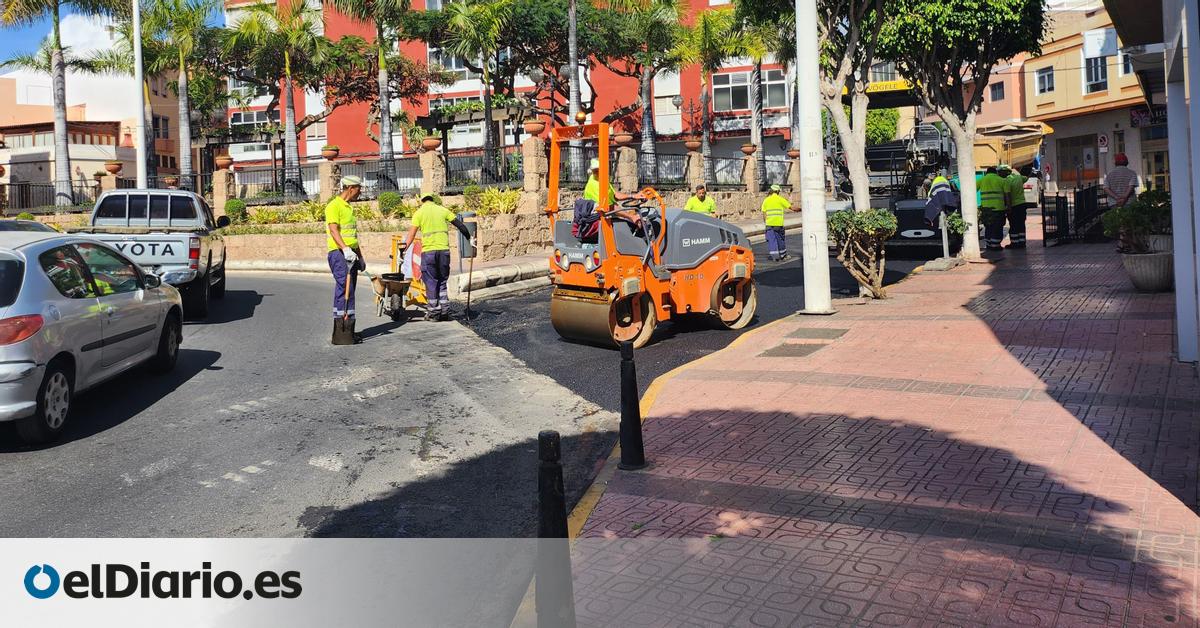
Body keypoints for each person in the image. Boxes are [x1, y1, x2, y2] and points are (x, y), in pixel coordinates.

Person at [405, 193, 472, 321]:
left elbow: (411, 235)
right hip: (444, 252)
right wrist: (469, 238)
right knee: (442, 281)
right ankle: (445, 311)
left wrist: (403, 250)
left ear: (422, 201)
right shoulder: (442, 210)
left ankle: (434, 312)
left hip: (429, 252)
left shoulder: (419, 213)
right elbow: (460, 225)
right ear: (433, 200)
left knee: (431, 282)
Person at [326, 175, 364, 345]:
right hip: (339, 253)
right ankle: (341, 327)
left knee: (351, 289)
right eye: (359, 188)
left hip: (350, 253)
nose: (360, 191)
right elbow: (334, 230)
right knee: (344, 287)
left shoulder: (349, 207)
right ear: (351, 188)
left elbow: (352, 236)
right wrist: (345, 249)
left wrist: (360, 257)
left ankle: (348, 329)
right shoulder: (334, 206)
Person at [977, 166, 1009, 251]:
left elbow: (973, 189)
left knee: (988, 226)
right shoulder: (1002, 180)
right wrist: (1008, 206)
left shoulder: (982, 180)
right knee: (997, 227)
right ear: (996, 172)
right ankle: (996, 245)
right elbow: (1007, 194)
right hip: (998, 208)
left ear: (987, 172)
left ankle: (989, 244)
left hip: (986, 208)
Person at [761, 184, 792, 261]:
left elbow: (764, 214)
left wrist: (766, 223)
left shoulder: (766, 200)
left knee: (771, 240)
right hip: (778, 224)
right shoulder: (780, 199)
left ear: (770, 191)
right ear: (778, 191)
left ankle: (774, 257)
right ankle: (783, 255)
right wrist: (801, 209)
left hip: (769, 224)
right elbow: (791, 207)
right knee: (780, 239)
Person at [1002, 164, 1029, 249]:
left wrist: (1008, 207)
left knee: (1013, 224)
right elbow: (1026, 177)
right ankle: (1022, 242)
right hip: (1022, 204)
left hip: (1014, 206)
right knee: (1021, 224)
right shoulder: (1019, 178)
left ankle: (1014, 243)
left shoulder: (1007, 181)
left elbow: (1007, 194)